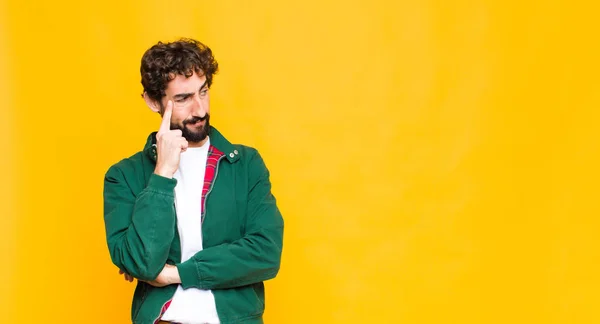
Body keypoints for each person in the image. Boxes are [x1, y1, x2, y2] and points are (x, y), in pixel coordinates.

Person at [102, 38, 284, 324]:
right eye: (183, 98)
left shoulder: (246, 165)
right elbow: (140, 262)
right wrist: (162, 173)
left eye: (204, 91)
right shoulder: (124, 176)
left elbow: (265, 252)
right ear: (153, 101)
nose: (199, 110)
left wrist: (176, 273)